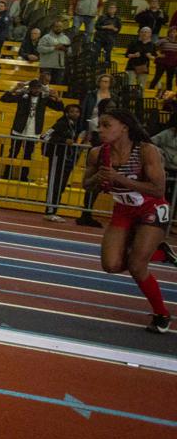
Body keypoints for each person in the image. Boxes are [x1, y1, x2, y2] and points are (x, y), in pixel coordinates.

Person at [83, 108, 173, 333]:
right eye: (99, 125)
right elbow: (86, 184)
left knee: (136, 265)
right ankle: (159, 252)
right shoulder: (97, 153)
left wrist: (120, 179)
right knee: (111, 265)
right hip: (123, 210)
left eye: (106, 125)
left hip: (151, 207)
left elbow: (158, 188)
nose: (100, 130)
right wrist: (98, 178)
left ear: (124, 127)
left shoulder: (146, 151)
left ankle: (162, 314)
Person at [0, 79, 64, 182]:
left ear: (41, 88)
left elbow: (60, 108)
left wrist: (57, 97)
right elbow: (4, 99)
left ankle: (24, 177)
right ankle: (6, 174)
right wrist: (15, 88)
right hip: (19, 129)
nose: (36, 90)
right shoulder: (23, 96)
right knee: (13, 152)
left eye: (38, 87)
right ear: (30, 88)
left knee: (28, 154)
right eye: (34, 87)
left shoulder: (44, 98)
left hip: (33, 131)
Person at [77, 94, 117, 228]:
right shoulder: (95, 121)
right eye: (109, 107)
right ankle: (85, 214)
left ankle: (87, 213)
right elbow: (97, 139)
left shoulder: (115, 122)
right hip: (98, 156)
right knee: (92, 185)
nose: (112, 109)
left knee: (98, 187)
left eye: (114, 107)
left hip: (107, 155)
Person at [43, 104, 83, 222]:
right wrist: (63, 140)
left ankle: (54, 210)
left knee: (61, 185)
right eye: (72, 111)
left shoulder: (76, 126)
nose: (75, 113)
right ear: (66, 113)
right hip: (57, 157)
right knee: (54, 184)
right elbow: (45, 136)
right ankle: (50, 211)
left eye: (77, 111)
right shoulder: (61, 124)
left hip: (67, 159)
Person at [37, 20, 70, 85]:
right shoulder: (46, 37)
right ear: (52, 27)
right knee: (44, 85)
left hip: (60, 66)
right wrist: (54, 48)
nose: (58, 28)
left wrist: (66, 50)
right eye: (56, 26)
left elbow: (70, 52)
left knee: (57, 86)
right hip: (47, 66)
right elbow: (39, 49)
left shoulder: (66, 38)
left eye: (60, 27)